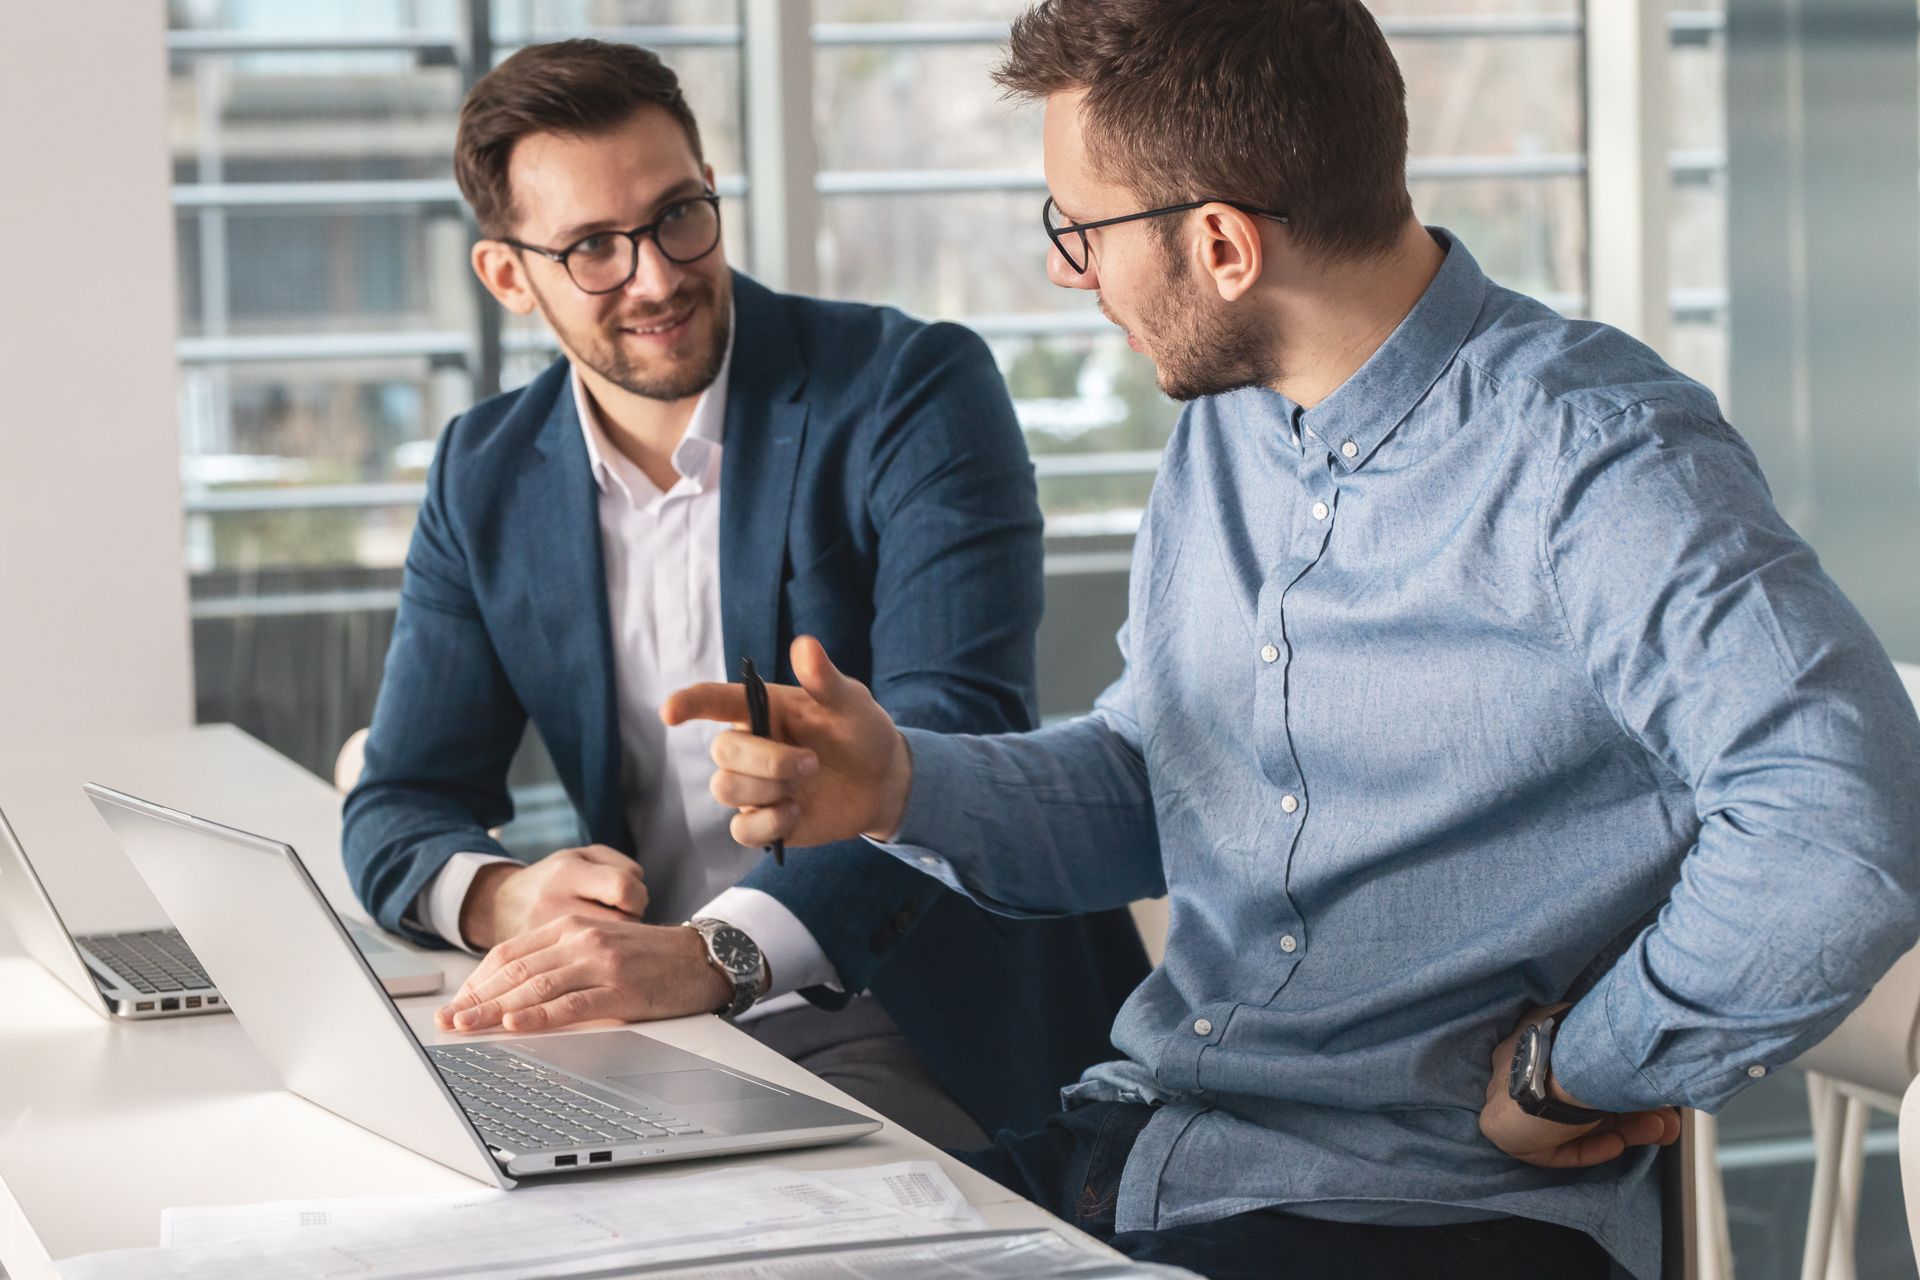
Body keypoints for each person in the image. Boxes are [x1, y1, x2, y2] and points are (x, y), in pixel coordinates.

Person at [664, 2, 1920, 1276]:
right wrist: (901, 785)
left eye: (1079, 229)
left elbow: (1843, 830)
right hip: (1145, 1154)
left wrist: (1576, 1067)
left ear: (1220, 244)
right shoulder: (1233, 424)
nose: (1068, 271)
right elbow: (1168, 783)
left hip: (1420, 1213)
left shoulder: (1599, 455)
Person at [342, 38, 1148, 1151]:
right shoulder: (485, 471)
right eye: (592, 249)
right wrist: (507, 901)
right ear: (507, 277)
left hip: (911, 1008)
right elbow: (398, 801)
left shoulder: (911, 391)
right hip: (654, 1021)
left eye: (679, 215)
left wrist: (711, 955)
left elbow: (955, 729)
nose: (658, 276)